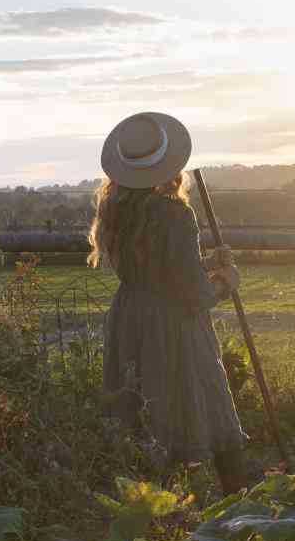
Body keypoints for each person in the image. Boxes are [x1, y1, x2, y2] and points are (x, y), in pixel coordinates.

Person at [90, 112, 255, 494]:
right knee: (205, 398)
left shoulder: (114, 209)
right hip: (172, 323)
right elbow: (194, 294)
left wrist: (206, 262)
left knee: (146, 410)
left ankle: (151, 504)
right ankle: (238, 503)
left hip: (130, 317)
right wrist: (226, 280)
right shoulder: (175, 214)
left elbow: (158, 269)